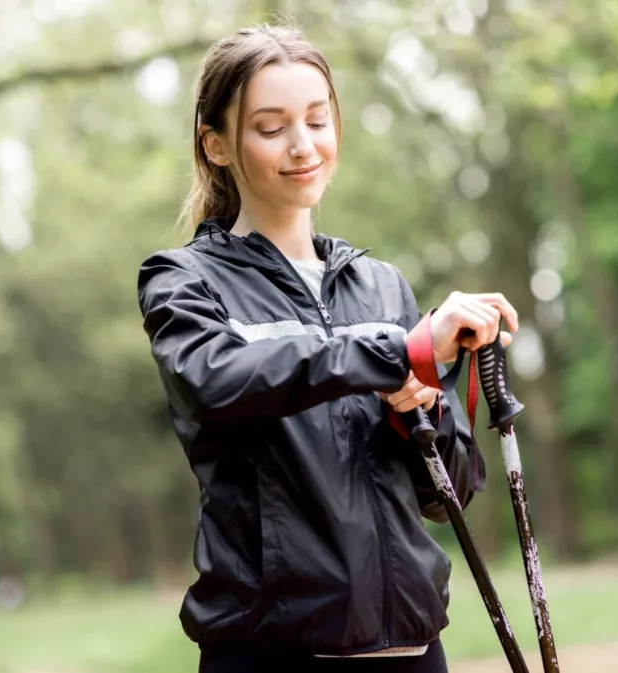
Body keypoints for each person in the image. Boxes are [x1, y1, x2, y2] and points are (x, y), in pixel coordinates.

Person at [137, 23, 519, 673]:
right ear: (216, 145)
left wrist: (413, 407)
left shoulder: (383, 285)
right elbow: (215, 380)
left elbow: (449, 487)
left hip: (411, 649)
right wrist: (392, 350)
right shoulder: (183, 280)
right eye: (270, 126)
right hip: (268, 652)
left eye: (317, 120)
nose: (302, 145)